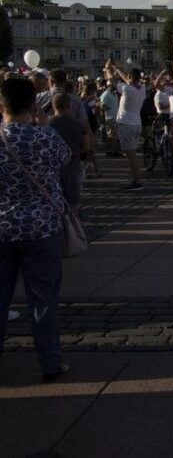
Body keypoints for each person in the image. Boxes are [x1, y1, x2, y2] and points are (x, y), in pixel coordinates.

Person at [0, 76, 72, 381]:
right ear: (33, 105)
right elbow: (66, 160)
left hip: (2, 228)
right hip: (42, 228)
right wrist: (41, 123)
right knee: (43, 300)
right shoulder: (45, 137)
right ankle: (50, 362)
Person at [105, 60, 147, 190]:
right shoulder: (142, 89)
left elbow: (112, 81)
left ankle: (137, 181)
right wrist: (117, 68)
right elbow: (127, 80)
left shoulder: (127, 89)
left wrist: (107, 69)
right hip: (136, 124)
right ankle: (136, 178)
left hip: (126, 124)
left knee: (131, 154)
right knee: (131, 152)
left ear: (130, 77)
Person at [48, 93, 87, 213]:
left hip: (52, 167)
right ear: (69, 105)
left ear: (53, 106)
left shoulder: (47, 124)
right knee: (73, 200)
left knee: (53, 198)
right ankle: (73, 225)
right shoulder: (78, 124)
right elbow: (86, 145)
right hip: (73, 165)